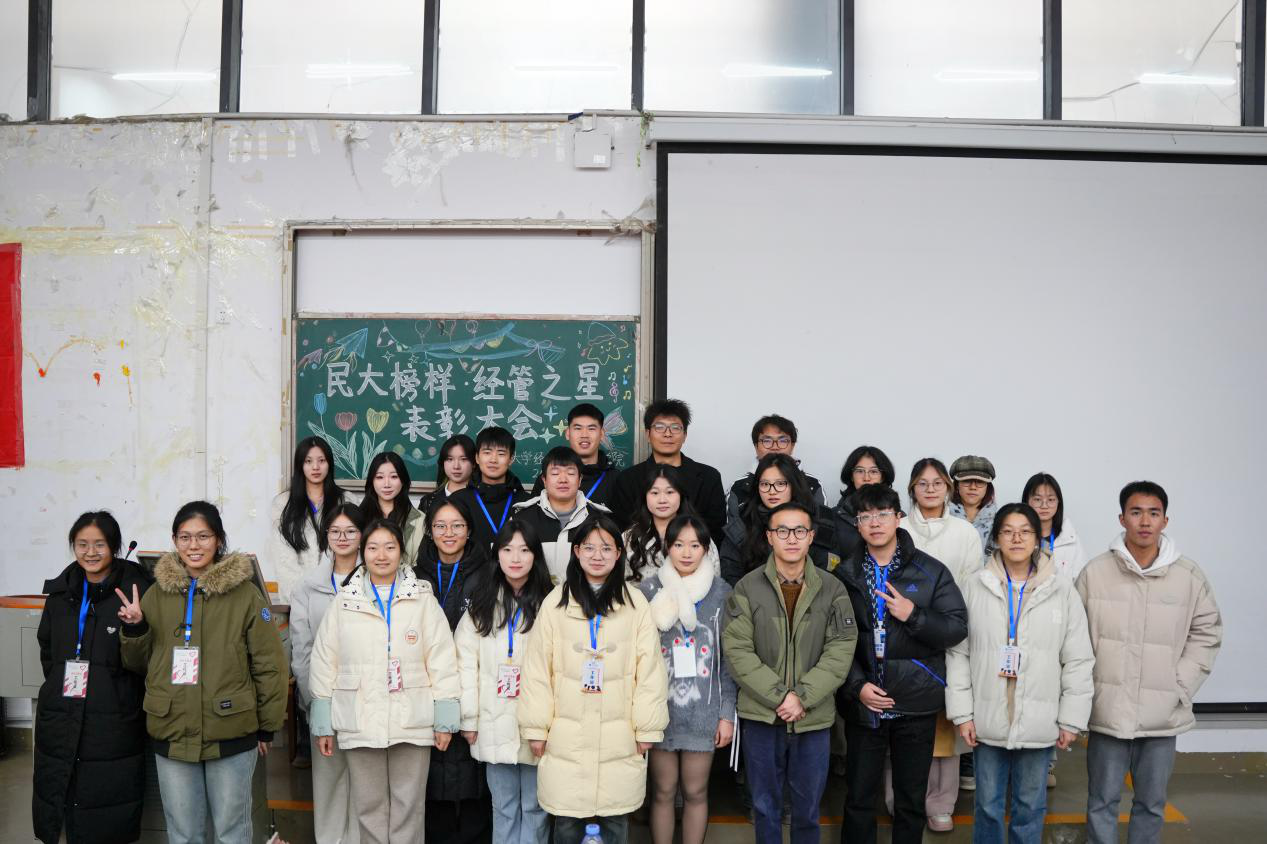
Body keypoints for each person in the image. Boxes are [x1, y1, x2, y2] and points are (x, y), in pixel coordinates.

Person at [117, 501, 287, 844]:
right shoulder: (156, 594)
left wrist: (267, 726)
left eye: (203, 536)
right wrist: (135, 628)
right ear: (174, 541)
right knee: (183, 833)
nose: (194, 545)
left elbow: (269, 664)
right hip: (173, 729)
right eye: (185, 537)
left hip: (231, 729)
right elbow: (138, 663)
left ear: (219, 540)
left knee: (232, 832)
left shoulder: (246, 595)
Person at [1077, 481, 1222, 844]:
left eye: (1153, 513)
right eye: (1136, 512)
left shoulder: (1188, 576)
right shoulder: (1095, 573)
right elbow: (1073, 637)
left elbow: (1207, 632)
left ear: (1165, 520)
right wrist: (1086, 691)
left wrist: (1179, 685)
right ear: (1122, 518)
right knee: (1101, 801)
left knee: (1152, 803)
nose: (1145, 521)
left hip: (1162, 714)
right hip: (1107, 711)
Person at [946, 503, 1094, 844]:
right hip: (986, 719)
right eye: (1008, 531)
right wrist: (963, 714)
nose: (1016, 538)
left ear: (1037, 539)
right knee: (987, 806)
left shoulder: (1061, 590)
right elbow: (958, 654)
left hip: (1040, 720)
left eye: (1025, 531)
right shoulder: (974, 587)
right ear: (996, 538)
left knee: (1030, 806)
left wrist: (1071, 719)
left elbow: (1078, 659)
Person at [308, 518, 461, 844]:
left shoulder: (422, 598)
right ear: (363, 552)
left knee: (409, 808)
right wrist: (323, 721)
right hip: (360, 720)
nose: (381, 555)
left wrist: (445, 718)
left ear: (401, 552)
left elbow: (442, 659)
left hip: (412, 719)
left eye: (389, 547)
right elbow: (324, 661)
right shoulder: (344, 601)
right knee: (368, 809)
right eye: (373, 547)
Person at [519, 513, 669, 844]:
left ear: (619, 553)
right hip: (565, 736)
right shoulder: (555, 603)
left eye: (606, 548)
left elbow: (650, 672)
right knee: (567, 824)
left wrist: (647, 728)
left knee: (616, 822)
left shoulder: (635, 603)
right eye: (588, 547)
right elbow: (537, 672)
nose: (597, 555)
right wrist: (535, 728)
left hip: (620, 736)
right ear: (576, 552)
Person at [835, 484, 968, 844]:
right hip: (865, 703)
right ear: (857, 524)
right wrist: (857, 686)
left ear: (898, 518)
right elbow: (834, 641)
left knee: (911, 800)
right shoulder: (845, 575)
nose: (875, 523)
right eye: (866, 516)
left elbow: (957, 627)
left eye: (882, 514)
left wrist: (914, 615)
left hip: (915, 700)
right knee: (859, 798)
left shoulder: (930, 571)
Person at [723, 501, 857, 844]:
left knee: (807, 809)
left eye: (800, 530)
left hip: (813, 717)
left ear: (811, 536)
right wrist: (781, 696)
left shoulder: (832, 589)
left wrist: (802, 697)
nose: (792, 538)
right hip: (762, 716)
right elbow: (738, 651)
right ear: (769, 537)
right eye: (782, 531)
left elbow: (841, 649)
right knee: (764, 806)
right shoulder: (747, 588)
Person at [33, 511, 153, 844]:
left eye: (99, 544)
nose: (90, 552)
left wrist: (136, 626)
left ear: (114, 546)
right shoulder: (61, 595)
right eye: (82, 544)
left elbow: (147, 660)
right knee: (61, 795)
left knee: (106, 804)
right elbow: (48, 650)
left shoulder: (135, 592)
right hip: (61, 713)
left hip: (113, 718)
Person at [894, 457, 984, 832]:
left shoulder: (965, 533)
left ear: (948, 488)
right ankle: (900, 798)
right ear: (912, 489)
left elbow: (972, 588)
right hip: (901, 633)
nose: (930, 489)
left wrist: (949, 626)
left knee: (945, 722)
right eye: (922, 483)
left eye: (937, 483)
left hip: (947, 634)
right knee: (902, 719)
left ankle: (941, 803)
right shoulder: (898, 526)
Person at [637, 514, 737, 844]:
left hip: (703, 713)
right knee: (662, 791)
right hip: (660, 711)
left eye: (695, 545)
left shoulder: (722, 593)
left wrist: (726, 714)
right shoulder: (648, 591)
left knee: (695, 792)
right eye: (678, 544)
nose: (686, 552)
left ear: (707, 549)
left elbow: (729, 662)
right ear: (667, 547)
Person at [455, 518, 555, 844]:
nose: (515, 558)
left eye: (524, 550)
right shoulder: (481, 602)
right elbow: (465, 663)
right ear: (496, 553)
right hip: (492, 721)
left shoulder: (551, 603)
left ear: (535, 556)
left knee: (536, 808)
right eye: (508, 549)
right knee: (504, 807)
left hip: (536, 723)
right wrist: (468, 718)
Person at [414, 496, 494, 844]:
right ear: (430, 531)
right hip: (429, 686)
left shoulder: (489, 573)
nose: (449, 533)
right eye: (440, 526)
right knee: (433, 782)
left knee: (475, 780)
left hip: (476, 685)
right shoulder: (414, 575)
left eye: (457, 526)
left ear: (469, 530)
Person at [289, 502, 367, 844]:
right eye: (335, 531)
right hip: (323, 701)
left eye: (351, 531)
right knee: (329, 787)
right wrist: (314, 700)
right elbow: (301, 649)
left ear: (363, 535)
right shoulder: (308, 586)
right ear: (325, 536)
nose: (342, 537)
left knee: (365, 788)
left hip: (366, 703)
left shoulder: (377, 579)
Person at [608, 399, 726, 541]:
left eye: (675, 428)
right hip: (642, 553)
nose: (668, 434)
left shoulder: (709, 477)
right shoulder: (627, 479)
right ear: (647, 434)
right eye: (659, 427)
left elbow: (716, 530)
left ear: (685, 435)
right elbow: (621, 529)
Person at [720, 453, 838, 587]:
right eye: (765, 484)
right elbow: (730, 574)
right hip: (753, 597)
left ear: (794, 485)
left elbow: (827, 576)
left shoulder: (817, 520)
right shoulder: (742, 520)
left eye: (780, 483)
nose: (772, 491)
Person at [513, 446, 611, 581]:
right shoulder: (522, 520)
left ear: (580, 480)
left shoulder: (599, 519)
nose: (563, 479)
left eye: (570, 473)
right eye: (555, 473)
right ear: (544, 480)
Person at [270, 436, 344, 603]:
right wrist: (303, 597)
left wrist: (333, 595)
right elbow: (283, 558)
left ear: (329, 464)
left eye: (321, 461)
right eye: (308, 461)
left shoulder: (345, 501)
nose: (315, 467)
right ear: (300, 465)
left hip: (337, 597)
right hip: (296, 598)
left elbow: (349, 554)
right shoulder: (282, 505)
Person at [623, 464, 720, 582]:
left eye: (670, 492)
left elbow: (715, 583)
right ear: (645, 497)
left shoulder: (699, 535)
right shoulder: (629, 537)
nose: (662, 500)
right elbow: (621, 584)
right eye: (655, 493)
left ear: (681, 495)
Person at [724, 414, 825, 527]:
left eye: (782, 441)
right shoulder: (738, 487)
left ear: (792, 446)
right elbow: (734, 532)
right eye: (767, 441)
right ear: (756, 446)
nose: (775, 446)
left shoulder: (813, 485)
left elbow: (821, 530)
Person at [452, 426, 528, 551]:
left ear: (511, 459)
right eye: (487, 453)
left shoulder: (526, 503)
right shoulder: (458, 501)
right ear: (477, 458)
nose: (493, 460)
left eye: (501, 454)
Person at [530, 403, 618, 509]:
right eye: (578, 428)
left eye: (591, 428)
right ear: (567, 433)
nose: (584, 435)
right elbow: (534, 516)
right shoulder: (549, 478)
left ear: (602, 434)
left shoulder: (616, 479)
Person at [832, 445, 896, 563]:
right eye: (860, 471)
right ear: (851, 476)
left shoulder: (897, 516)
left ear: (883, 477)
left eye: (873, 471)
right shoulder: (834, 516)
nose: (866, 478)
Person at [361, 452, 424, 567]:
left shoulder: (420, 520)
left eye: (394, 477)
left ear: (403, 480)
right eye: (379, 477)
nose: (387, 484)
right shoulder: (357, 517)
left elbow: (421, 565)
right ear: (371, 481)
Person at [1022, 472, 1088, 580]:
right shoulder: (1017, 537)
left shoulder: (1070, 539)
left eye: (1051, 500)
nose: (1044, 505)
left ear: (1058, 502)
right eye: (1037, 499)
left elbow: (1081, 580)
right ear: (1027, 501)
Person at [949, 454, 998, 564]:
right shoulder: (941, 517)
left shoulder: (1000, 521)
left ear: (987, 487)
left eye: (980, 482)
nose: (973, 487)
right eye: (966, 481)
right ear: (956, 485)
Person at [419, 434, 478, 515]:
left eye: (463, 459)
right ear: (443, 462)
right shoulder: (428, 501)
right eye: (450, 459)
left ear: (474, 463)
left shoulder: (482, 499)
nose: (456, 466)